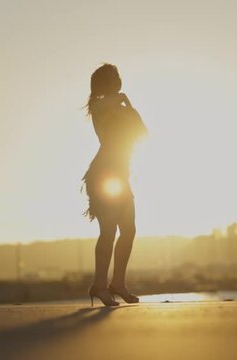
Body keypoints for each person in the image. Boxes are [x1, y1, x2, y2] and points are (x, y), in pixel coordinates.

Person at [82, 64, 147, 306]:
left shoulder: (124, 109)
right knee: (108, 231)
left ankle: (117, 283)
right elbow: (106, 105)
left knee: (129, 230)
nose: (116, 82)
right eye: (111, 78)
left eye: (116, 78)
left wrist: (130, 111)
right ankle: (99, 285)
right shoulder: (99, 106)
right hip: (103, 175)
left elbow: (144, 134)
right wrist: (121, 102)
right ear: (103, 84)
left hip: (121, 176)